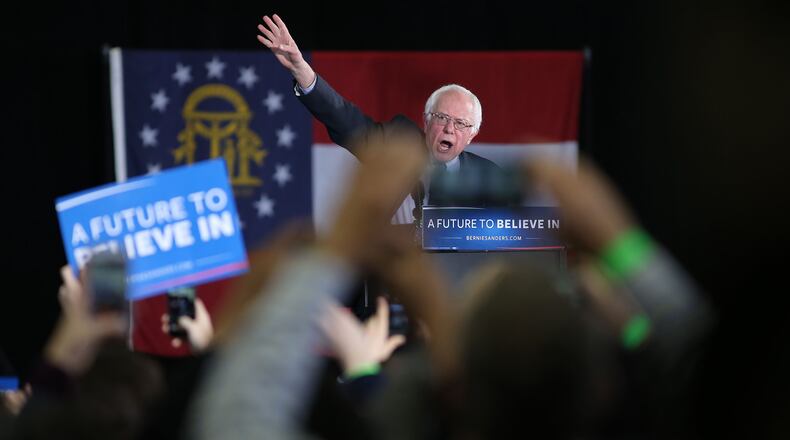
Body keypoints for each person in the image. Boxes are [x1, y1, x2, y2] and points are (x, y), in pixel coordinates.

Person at [257, 14, 505, 223]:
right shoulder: (397, 146)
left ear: (472, 135)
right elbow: (347, 121)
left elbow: (507, 241)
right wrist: (303, 71)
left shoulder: (487, 175)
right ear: (426, 121)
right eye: (442, 117)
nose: (450, 129)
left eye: (461, 123)